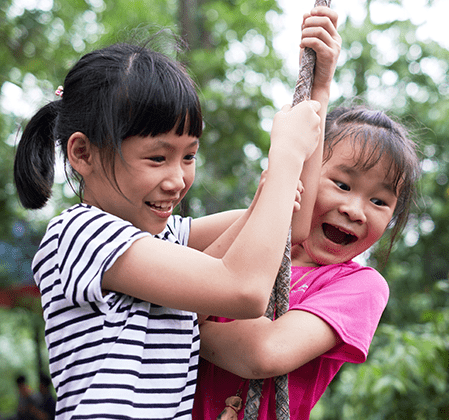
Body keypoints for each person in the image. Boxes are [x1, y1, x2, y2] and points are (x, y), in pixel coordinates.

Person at [12, 32, 323, 420]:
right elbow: (244, 289)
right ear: (83, 153)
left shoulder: (165, 237)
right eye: (157, 158)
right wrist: (285, 156)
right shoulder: (80, 234)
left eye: (189, 155)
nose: (177, 179)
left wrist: (319, 87)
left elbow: (296, 224)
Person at [192, 104, 421, 419]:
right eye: (342, 185)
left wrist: (173, 322)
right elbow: (171, 253)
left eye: (379, 201)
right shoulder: (251, 237)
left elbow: (265, 352)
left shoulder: (360, 286)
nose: (355, 210)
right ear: (305, 178)